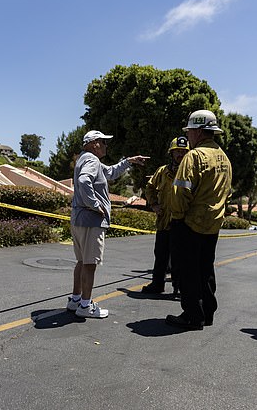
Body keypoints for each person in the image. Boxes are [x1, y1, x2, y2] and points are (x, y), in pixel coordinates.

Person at [66, 130, 149, 318]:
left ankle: (76, 299)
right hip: (90, 221)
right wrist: (95, 205)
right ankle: (85, 306)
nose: (106, 146)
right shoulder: (92, 161)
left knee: (82, 261)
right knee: (90, 264)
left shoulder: (85, 159)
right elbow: (84, 180)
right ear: (95, 143)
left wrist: (129, 161)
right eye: (104, 142)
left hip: (79, 219)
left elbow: (110, 172)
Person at [165, 110, 232, 330]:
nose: (188, 135)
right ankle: (207, 313)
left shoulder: (193, 157)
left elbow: (180, 192)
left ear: (199, 131)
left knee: (187, 271)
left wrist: (177, 218)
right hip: (212, 225)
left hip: (189, 223)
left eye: (190, 131)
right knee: (205, 269)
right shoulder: (224, 158)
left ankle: (193, 315)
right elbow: (226, 193)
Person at [142, 136, 189, 296]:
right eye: (177, 151)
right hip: (163, 222)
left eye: (184, 152)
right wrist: (154, 204)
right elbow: (150, 188)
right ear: (171, 153)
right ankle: (157, 284)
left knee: (179, 258)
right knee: (160, 255)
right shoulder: (162, 172)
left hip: (182, 222)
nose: (180, 155)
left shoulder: (190, 172)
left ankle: (179, 286)